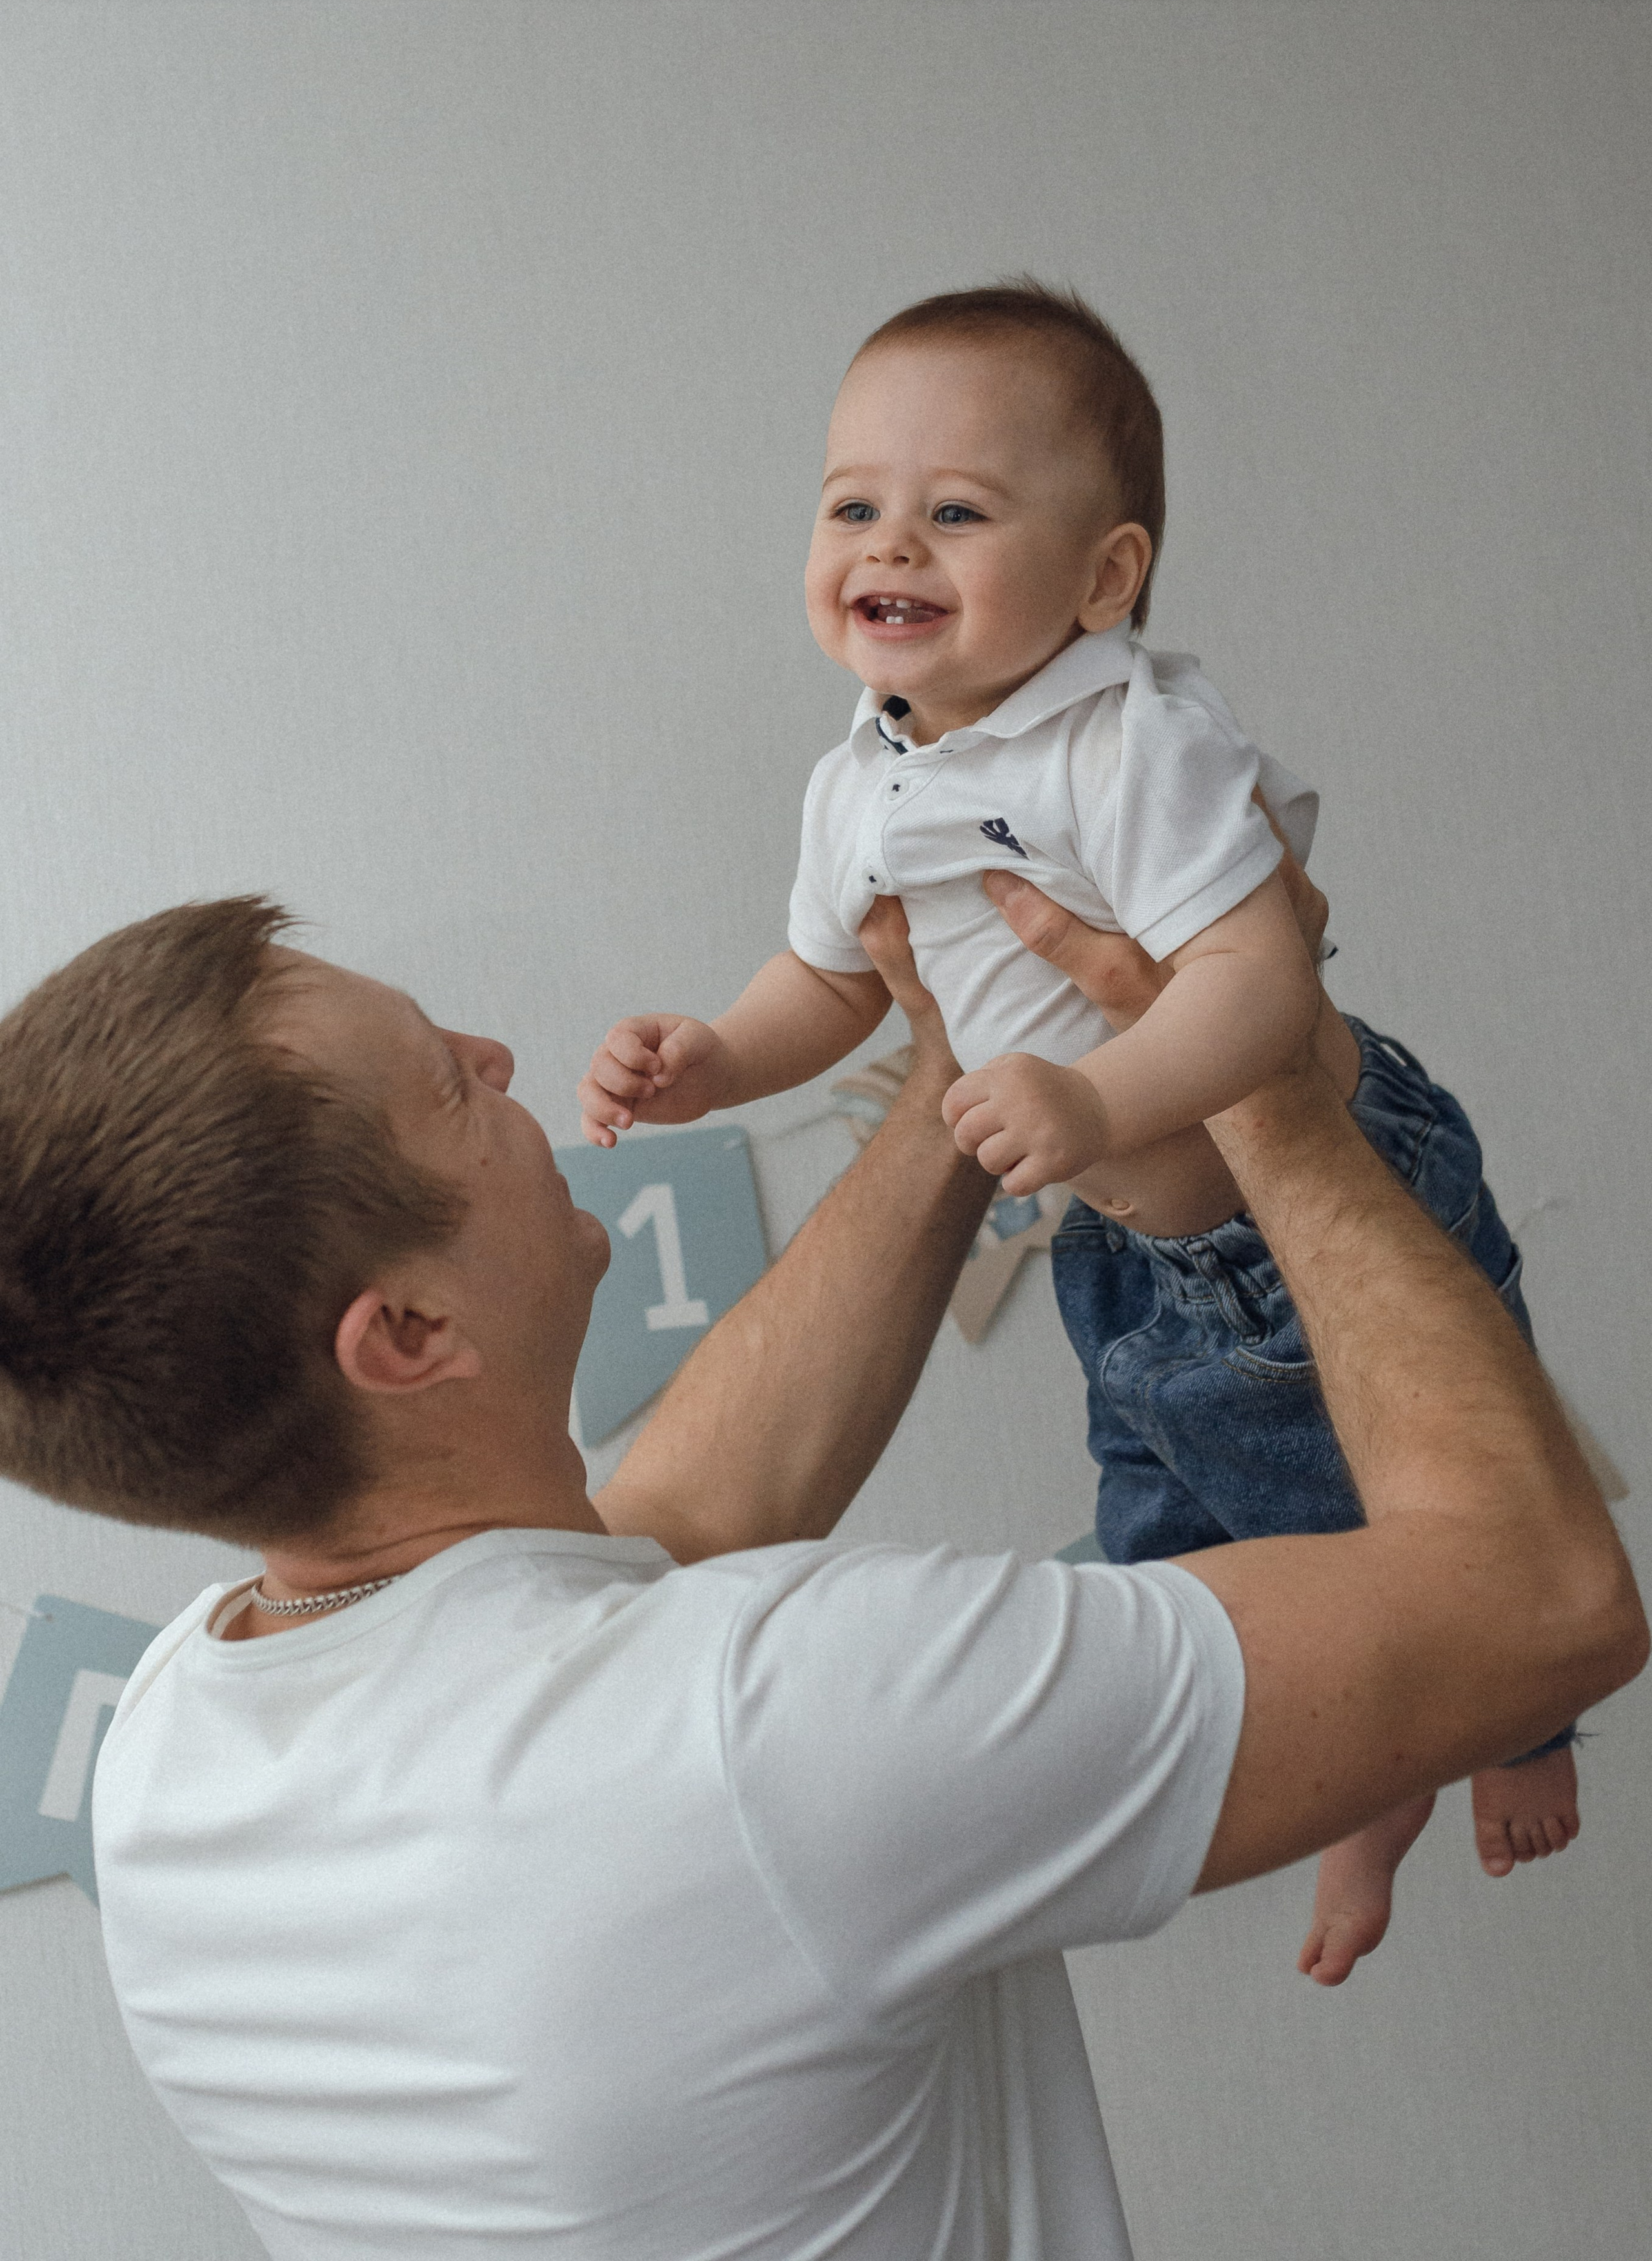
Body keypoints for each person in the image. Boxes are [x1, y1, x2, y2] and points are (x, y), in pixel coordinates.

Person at [0, 881, 1632, 2260]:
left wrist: (948, 1056)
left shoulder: (169, 1752)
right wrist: (1255, 1068)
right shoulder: (764, 1727)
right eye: (445, 1080)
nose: (498, 1055)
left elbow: (674, 1528)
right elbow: (1538, 1602)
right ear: (410, 1334)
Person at [578, 280, 1580, 1984]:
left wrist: (1093, 1095)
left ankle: (1512, 1725)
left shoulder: (1130, 736)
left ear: (1106, 577)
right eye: (852, 504)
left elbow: (1262, 982)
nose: (889, 539)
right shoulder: (856, 781)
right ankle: (1366, 1772)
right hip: (1124, 1248)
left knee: (1387, 1521)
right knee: (1167, 1554)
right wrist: (712, 1060)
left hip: (1290, 1208)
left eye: (956, 510)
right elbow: (833, 991)